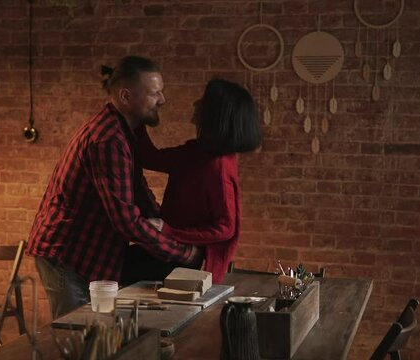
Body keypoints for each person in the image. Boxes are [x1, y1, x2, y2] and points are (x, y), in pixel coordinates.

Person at [26, 56, 202, 319]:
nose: (162, 100)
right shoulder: (108, 139)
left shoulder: (124, 132)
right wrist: (183, 252)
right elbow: (126, 221)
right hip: (68, 255)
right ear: (125, 96)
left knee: (93, 336)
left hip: (86, 253)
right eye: (154, 93)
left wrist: (168, 226)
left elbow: (138, 188)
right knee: (76, 338)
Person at [122, 78, 261, 285]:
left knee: (112, 267)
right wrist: (137, 115)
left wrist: (168, 230)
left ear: (216, 115)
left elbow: (226, 228)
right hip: (170, 249)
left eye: (203, 102)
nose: (196, 104)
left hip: (181, 259)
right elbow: (150, 158)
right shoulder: (197, 151)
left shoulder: (219, 167)